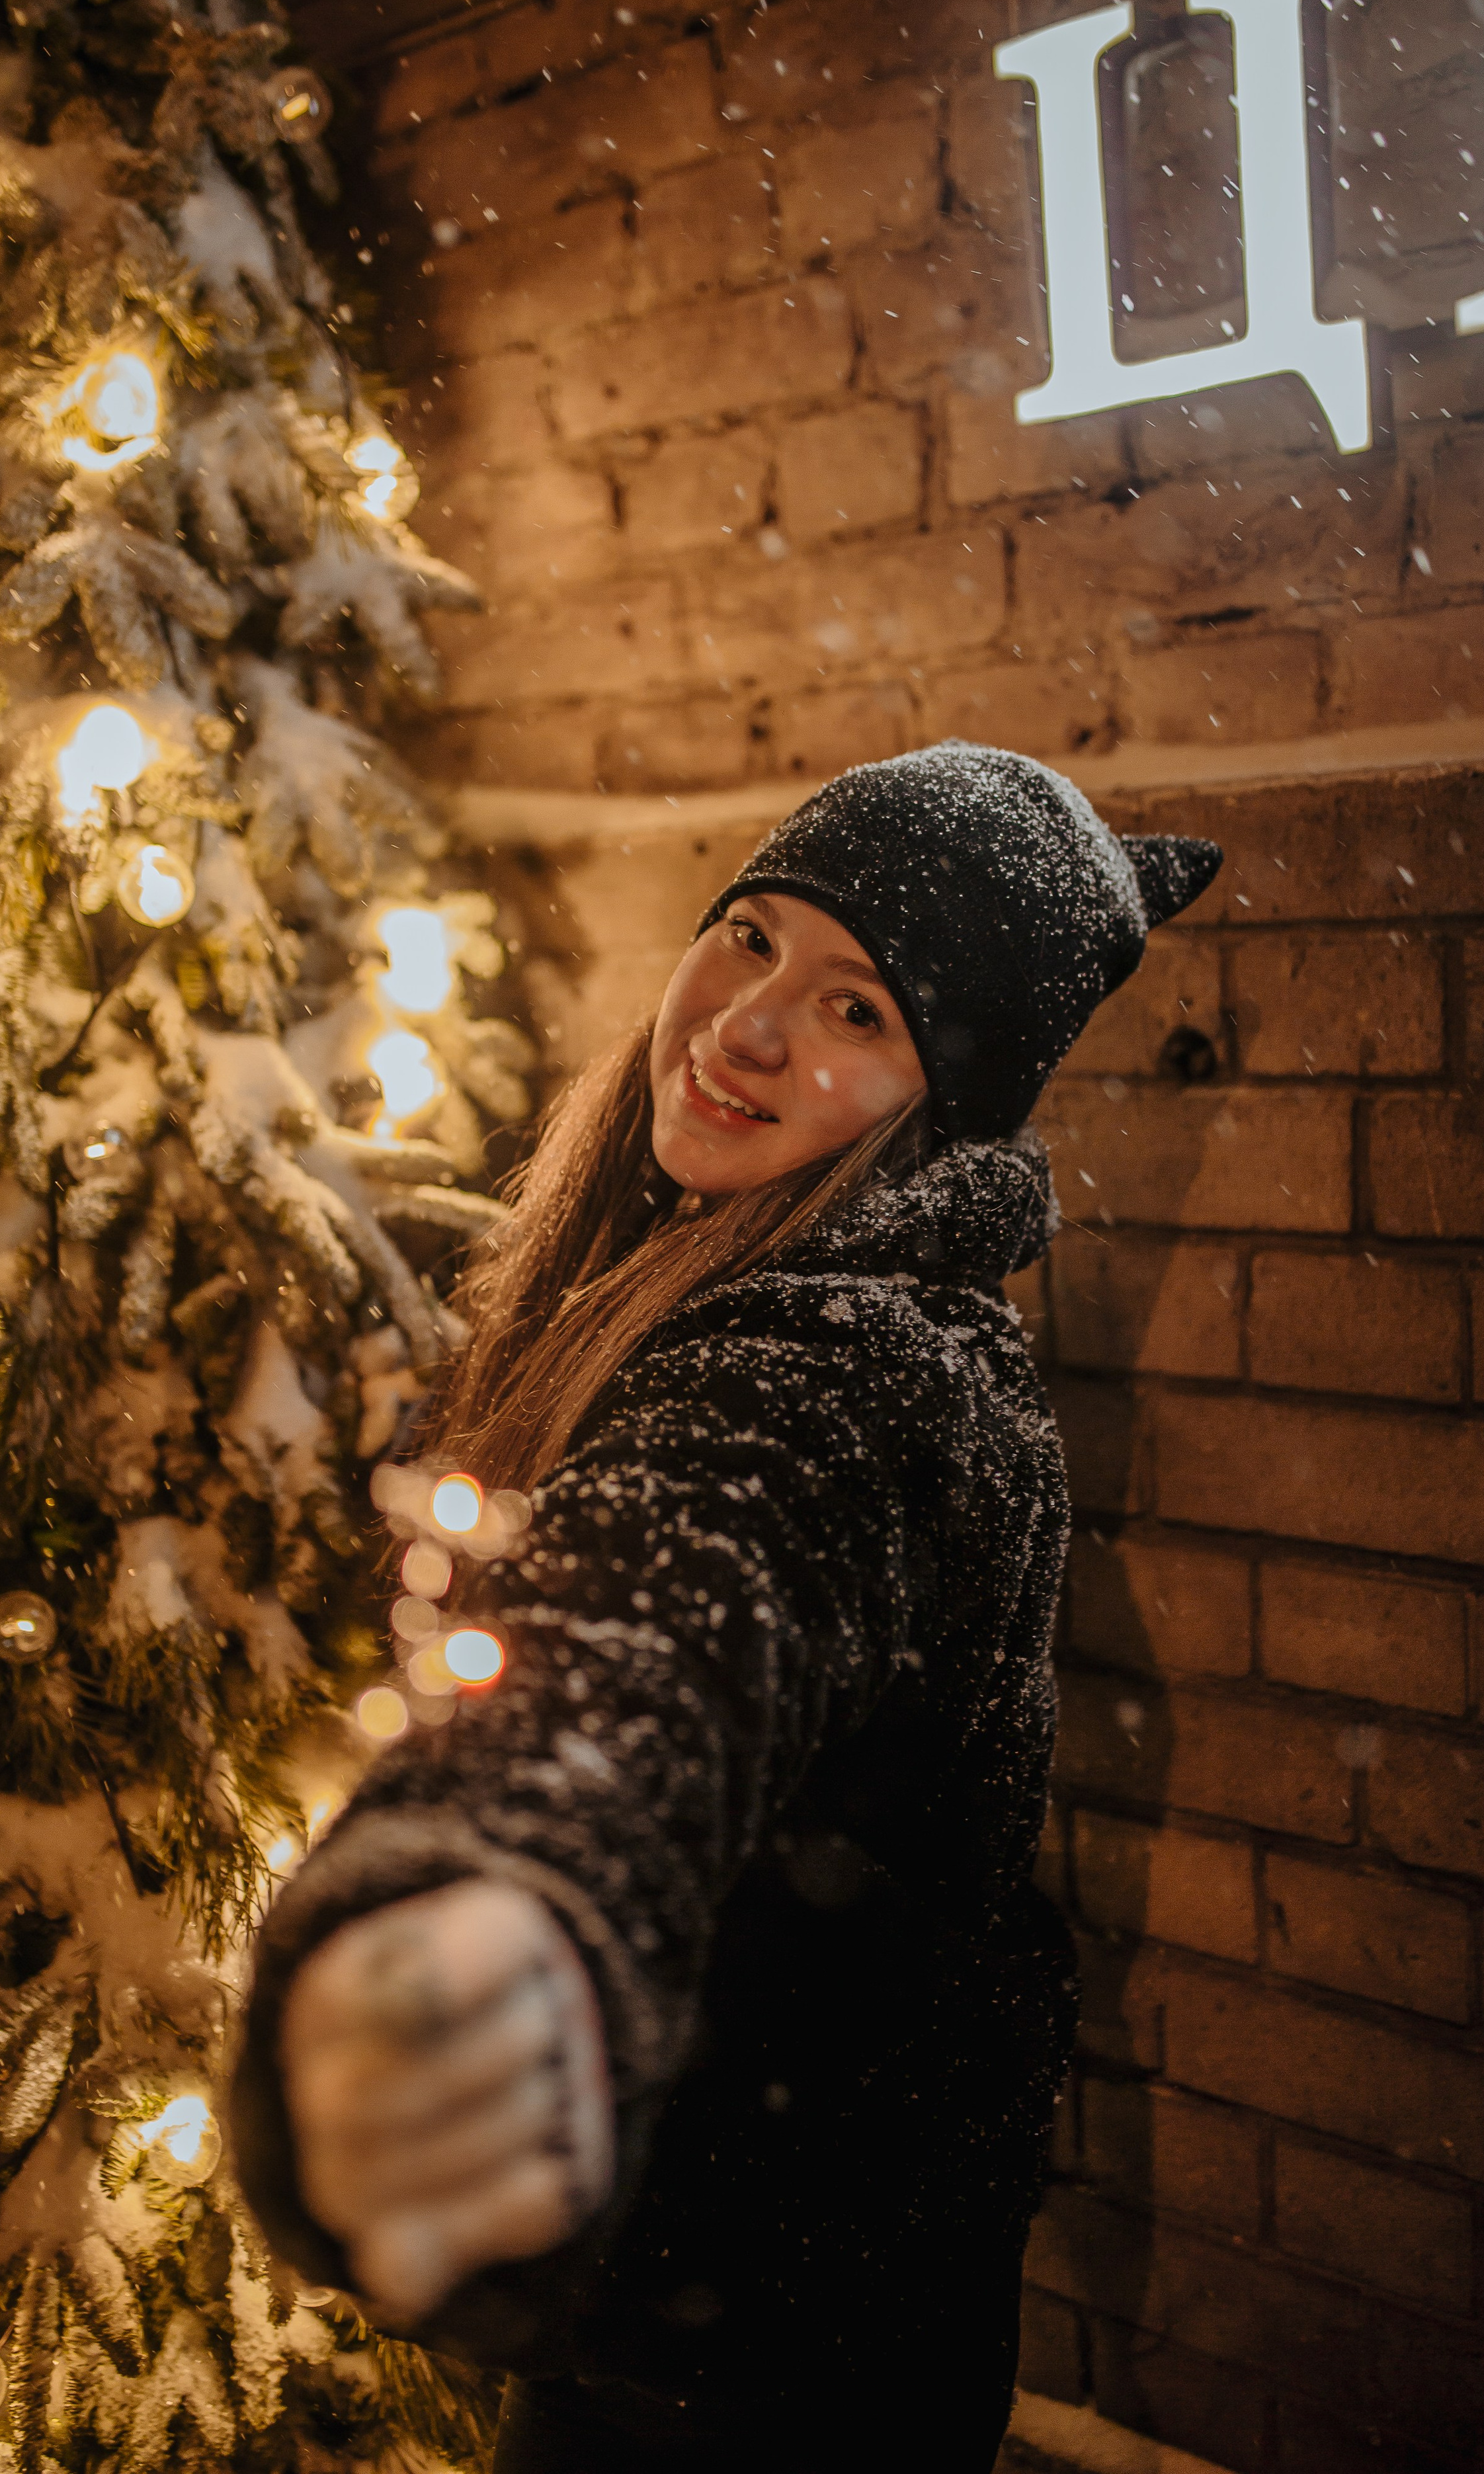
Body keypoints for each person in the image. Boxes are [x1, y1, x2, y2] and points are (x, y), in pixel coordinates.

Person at [231, 742, 1222, 2474]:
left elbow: (643, 1665)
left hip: (764, 2374)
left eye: (859, 1012)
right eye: (755, 936)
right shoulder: (682, 1270)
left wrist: (497, 1913)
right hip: (724, 2292)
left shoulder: (843, 1381)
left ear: (946, 1097)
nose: (747, 1025)